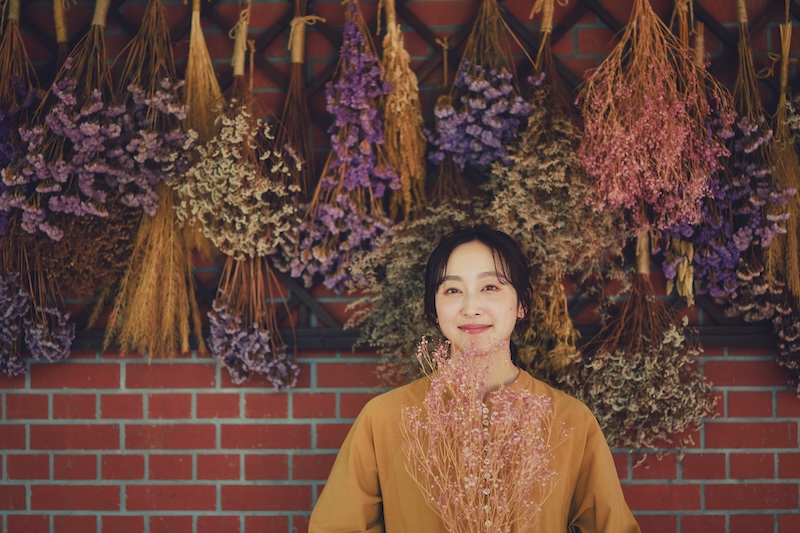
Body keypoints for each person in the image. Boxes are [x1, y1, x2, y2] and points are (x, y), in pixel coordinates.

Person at [309, 226, 640, 532]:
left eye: (490, 287)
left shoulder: (571, 420)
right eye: (453, 290)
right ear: (434, 307)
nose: (471, 307)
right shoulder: (384, 419)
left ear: (522, 303)